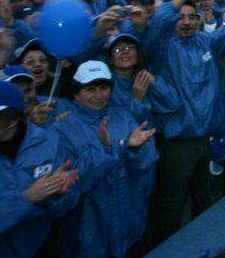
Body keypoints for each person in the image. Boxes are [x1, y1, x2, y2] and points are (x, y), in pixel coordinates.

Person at [141, 0, 225, 244]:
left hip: (209, 140)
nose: (187, 22)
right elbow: (156, 27)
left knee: (210, 198)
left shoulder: (206, 42)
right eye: (181, 16)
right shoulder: (160, 48)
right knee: (171, 204)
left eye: (192, 17)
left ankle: (211, 246)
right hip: (177, 143)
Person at [51, 60, 158, 257]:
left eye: (103, 87)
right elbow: (70, 186)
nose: (99, 96)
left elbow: (146, 164)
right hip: (89, 234)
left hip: (129, 225)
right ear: (76, 93)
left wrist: (132, 150)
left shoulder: (122, 116)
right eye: (90, 89)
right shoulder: (61, 129)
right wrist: (104, 150)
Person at [0, 80, 81, 255]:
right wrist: (25, 198)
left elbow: (67, 205)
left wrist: (59, 193)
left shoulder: (48, 142)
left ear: (11, 121)